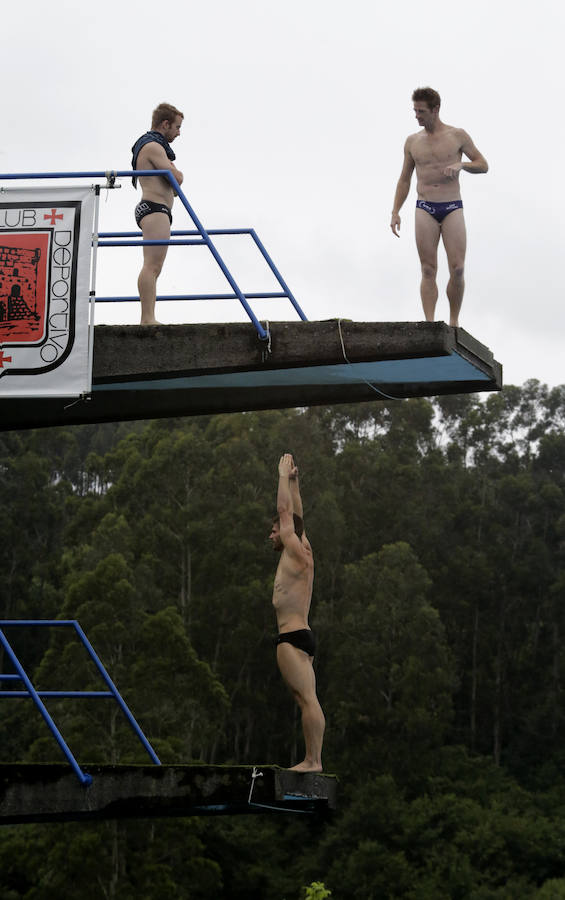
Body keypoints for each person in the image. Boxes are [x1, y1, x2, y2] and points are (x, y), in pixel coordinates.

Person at [390, 87, 488, 327]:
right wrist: (395, 211)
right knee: (428, 269)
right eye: (415, 111)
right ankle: (430, 324)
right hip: (425, 207)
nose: (417, 116)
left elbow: (483, 164)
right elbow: (404, 179)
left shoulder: (457, 135)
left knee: (457, 268)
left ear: (435, 110)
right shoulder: (413, 142)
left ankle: (454, 322)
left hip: (452, 206)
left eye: (421, 111)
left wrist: (462, 165)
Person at [268, 453, 325, 773]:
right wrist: (294, 480)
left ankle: (313, 761)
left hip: (292, 635)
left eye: (274, 531)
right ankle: (312, 758)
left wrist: (280, 477)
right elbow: (297, 511)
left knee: (307, 699)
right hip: (301, 635)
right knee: (306, 697)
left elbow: (286, 511)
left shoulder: (292, 545)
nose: (271, 535)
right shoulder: (303, 546)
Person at [131, 102, 185, 325]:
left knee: (154, 267)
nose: (179, 133)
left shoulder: (153, 146)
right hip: (154, 208)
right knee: (151, 266)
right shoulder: (154, 146)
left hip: (154, 209)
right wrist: (177, 173)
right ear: (165, 124)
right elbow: (177, 180)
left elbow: (173, 184)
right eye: (177, 127)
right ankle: (147, 318)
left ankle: (148, 316)